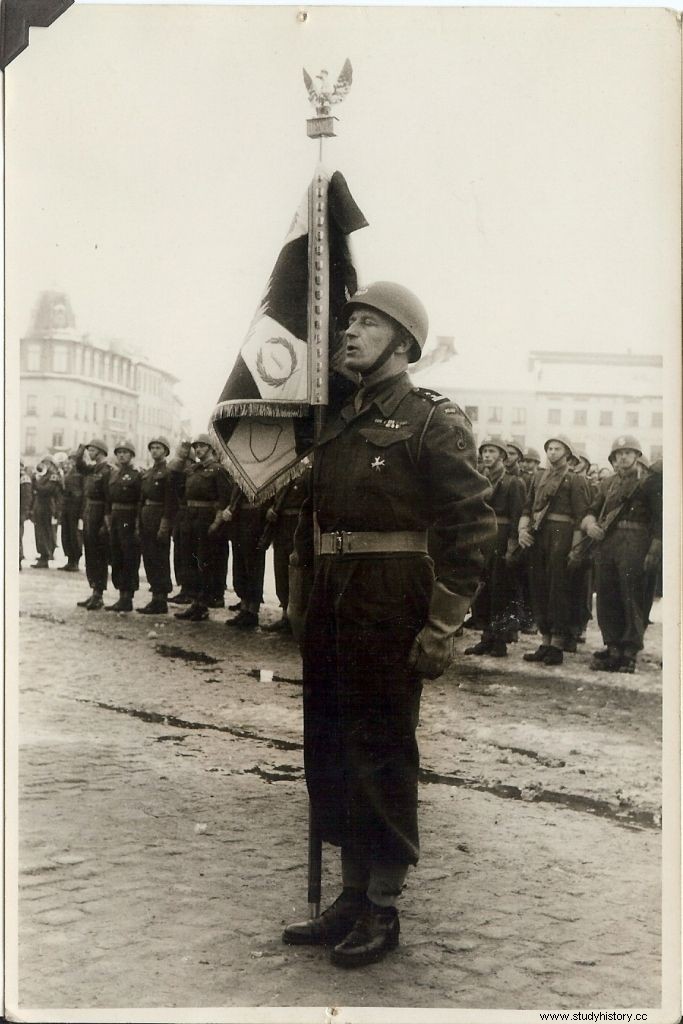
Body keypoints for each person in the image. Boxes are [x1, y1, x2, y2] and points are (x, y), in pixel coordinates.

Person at [282, 281, 495, 968]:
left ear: (402, 342)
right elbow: (309, 521)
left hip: (390, 603)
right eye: (348, 322)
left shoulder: (431, 420)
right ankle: (346, 897)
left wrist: (442, 624)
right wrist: (299, 595)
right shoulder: (338, 421)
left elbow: (473, 528)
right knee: (331, 748)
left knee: (379, 749)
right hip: (333, 603)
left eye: (367, 324)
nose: (349, 334)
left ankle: (382, 905)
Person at [583, 436, 662, 673]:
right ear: (613, 458)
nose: (623, 457)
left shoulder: (650, 483)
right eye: (619, 454)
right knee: (608, 596)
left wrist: (654, 550)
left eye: (628, 453)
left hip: (636, 544)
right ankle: (613, 647)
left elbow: (660, 520)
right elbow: (591, 510)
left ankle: (629, 651)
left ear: (637, 456)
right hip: (608, 545)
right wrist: (590, 526)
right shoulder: (608, 484)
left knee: (633, 596)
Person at [518, 434, 588, 666]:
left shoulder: (575, 480)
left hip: (562, 535)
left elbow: (580, 517)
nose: (552, 452)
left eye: (558, 448)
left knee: (558, 588)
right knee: (539, 586)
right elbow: (527, 507)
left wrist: (575, 548)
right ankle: (545, 640)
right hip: (539, 535)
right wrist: (523, 530)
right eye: (549, 448)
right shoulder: (538, 477)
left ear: (567, 453)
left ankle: (557, 644)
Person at [464, 436, 526, 657]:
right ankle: (486, 638)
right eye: (485, 451)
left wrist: (512, 546)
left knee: (500, 591)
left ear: (502, 455)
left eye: (492, 451)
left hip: (501, 539)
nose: (487, 455)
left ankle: (499, 641)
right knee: (484, 590)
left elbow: (517, 516)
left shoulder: (513, 482)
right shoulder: (480, 479)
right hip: (483, 538)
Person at [174, 433, 232, 623]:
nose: (198, 450)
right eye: (196, 447)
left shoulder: (218, 470)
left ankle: (203, 605)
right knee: (190, 561)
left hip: (206, 520)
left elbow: (224, 499)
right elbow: (181, 492)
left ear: (211, 449)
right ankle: (195, 602)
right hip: (190, 519)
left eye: (202, 446)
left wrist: (216, 522)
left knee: (204, 562)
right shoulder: (191, 470)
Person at [262, 462, 312, 633]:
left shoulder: (307, 475)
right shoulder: (282, 476)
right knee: (281, 571)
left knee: (298, 574)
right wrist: (269, 510)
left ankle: (297, 618)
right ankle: (285, 615)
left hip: (297, 528)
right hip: (281, 527)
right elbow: (271, 499)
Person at [138, 436, 176, 615]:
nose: (155, 451)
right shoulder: (147, 473)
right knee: (149, 558)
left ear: (166, 451)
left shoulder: (168, 473)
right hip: (146, 517)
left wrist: (165, 523)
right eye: (152, 448)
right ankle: (155, 597)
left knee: (160, 558)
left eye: (159, 448)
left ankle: (161, 599)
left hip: (159, 517)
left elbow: (170, 502)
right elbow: (141, 499)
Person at [104, 440, 143, 612]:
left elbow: (140, 500)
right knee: (116, 556)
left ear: (132, 455)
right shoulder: (114, 474)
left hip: (129, 517)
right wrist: (108, 516)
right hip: (115, 518)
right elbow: (108, 497)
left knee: (129, 557)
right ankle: (121, 594)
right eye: (119, 452)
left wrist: (137, 523)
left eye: (125, 452)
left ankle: (128, 597)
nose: (121, 455)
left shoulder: (137, 475)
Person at [75, 439, 113, 609]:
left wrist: (106, 520)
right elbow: (80, 466)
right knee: (90, 552)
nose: (89, 453)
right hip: (90, 510)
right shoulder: (93, 468)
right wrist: (80, 452)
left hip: (99, 512)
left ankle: (99, 593)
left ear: (100, 451)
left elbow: (108, 497)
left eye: (92, 450)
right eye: (89, 450)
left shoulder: (107, 471)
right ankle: (93, 591)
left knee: (99, 554)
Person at [167, 440, 195, 605]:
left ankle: (189, 590)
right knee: (179, 553)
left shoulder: (191, 474)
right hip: (180, 516)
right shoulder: (177, 471)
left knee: (187, 554)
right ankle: (184, 588)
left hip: (189, 516)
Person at [30, 456, 63, 568]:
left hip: (47, 506)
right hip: (40, 506)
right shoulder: (44, 476)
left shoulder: (53, 476)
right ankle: (42, 554)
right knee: (39, 531)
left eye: (47, 463)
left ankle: (45, 556)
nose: (45, 465)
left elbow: (46, 490)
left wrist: (36, 482)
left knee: (45, 531)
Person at [58, 452, 84, 571]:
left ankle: (75, 561)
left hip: (76, 507)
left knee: (74, 534)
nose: (70, 463)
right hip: (67, 506)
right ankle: (70, 559)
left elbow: (82, 492)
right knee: (66, 533)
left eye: (72, 460)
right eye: (70, 460)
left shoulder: (80, 473)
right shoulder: (68, 473)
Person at [20, 461, 34, 570]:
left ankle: (18, 559)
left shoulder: (24, 478)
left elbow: (27, 497)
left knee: (17, 536)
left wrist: (24, 513)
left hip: (18, 511)